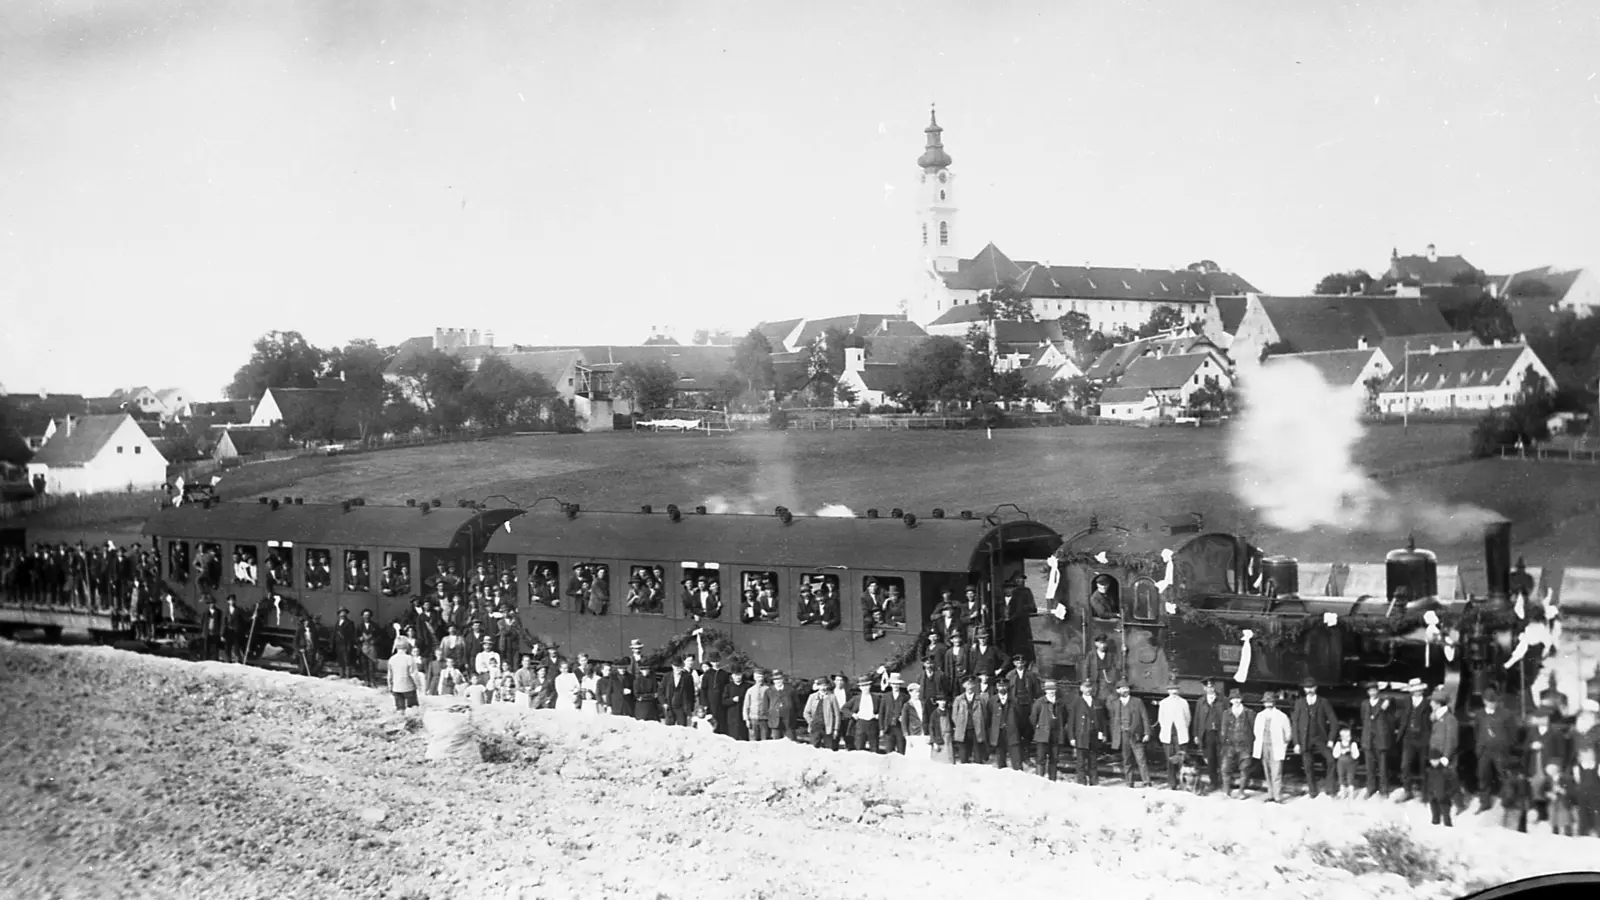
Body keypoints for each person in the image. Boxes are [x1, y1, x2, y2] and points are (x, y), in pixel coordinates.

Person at [1290, 678, 1339, 799]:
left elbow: (1334, 721)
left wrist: (1331, 739)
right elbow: (1295, 724)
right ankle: (1313, 792)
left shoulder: (1323, 702)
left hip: (1320, 738)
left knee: (1331, 760)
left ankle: (1330, 788)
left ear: (1316, 688)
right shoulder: (1300, 703)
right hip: (1305, 739)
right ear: (1304, 689)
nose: (1309, 690)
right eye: (1307, 688)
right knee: (1308, 766)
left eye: (1311, 687)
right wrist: (1296, 743)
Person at [1473, 687, 1519, 811]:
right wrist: (1480, 746)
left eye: (1494, 701)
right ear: (1484, 701)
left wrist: (1505, 745)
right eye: (1490, 701)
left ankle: (1507, 802)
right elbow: (1477, 731)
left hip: (1500, 751)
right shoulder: (1479, 715)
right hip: (1484, 750)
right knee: (1483, 775)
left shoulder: (1506, 714)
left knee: (1504, 775)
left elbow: (1513, 733)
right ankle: (1484, 802)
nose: (1492, 704)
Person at [1108, 681, 1152, 787]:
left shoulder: (1137, 701)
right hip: (1123, 735)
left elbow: (1145, 717)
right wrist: (1115, 736)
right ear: (1118, 690)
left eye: (1127, 688)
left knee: (1141, 759)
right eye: (1122, 688)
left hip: (1136, 734)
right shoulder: (1115, 704)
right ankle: (1129, 782)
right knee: (1126, 760)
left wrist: (1147, 733)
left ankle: (1146, 782)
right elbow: (1113, 721)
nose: (1125, 690)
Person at [1426, 691, 1460, 826]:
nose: (1430, 704)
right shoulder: (1437, 717)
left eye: (1432, 702)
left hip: (1443, 758)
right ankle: (1436, 817)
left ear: (1438, 704)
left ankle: (1454, 810)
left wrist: (1446, 757)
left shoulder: (1450, 719)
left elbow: (1451, 740)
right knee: (1436, 787)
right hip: (1435, 757)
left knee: (1447, 787)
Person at [1252, 691, 1292, 803]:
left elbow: (1288, 733)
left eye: (1270, 701)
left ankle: (1277, 796)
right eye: (1266, 701)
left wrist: (1283, 744)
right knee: (1267, 771)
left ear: (1274, 702)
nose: (1268, 703)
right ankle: (1270, 794)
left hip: (1276, 746)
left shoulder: (1281, 716)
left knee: (1276, 772)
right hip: (1264, 746)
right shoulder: (1260, 716)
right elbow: (1256, 731)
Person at [1358, 682, 1395, 798]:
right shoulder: (1364, 704)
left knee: (1383, 767)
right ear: (1368, 692)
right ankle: (1371, 788)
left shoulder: (1384, 703)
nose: (1372, 692)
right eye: (1370, 690)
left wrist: (1388, 701)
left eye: (1374, 690)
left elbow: (1392, 706)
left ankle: (1384, 790)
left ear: (1378, 691)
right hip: (1368, 739)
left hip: (1380, 739)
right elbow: (1363, 718)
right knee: (1370, 767)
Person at [1192, 678, 1226, 795]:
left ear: (1214, 687)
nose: (1210, 689)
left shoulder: (1223, 700)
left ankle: (1224, 782)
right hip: (1207, 733)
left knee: (1222, 758)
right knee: (1210, 758)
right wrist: (1196, 735)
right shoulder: (1200, 702)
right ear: (1204, 688)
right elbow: (1197, 718)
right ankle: (1213, 782)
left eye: (1211, 687)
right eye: (1207, 687)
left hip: (1220, 733)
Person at [1221, 689, 1256, 799]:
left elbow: (1254, 730)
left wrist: (1251, 744)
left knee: (1244, 769)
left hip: (1244, 746)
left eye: (1237, 698)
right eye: (1233, 699)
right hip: (1229, 746)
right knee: (1225, 769)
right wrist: (1223, 743)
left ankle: (1241, 791)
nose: (1235, 701)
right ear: (1230, 701)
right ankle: (1226, 791)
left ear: (1241, 699)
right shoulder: (1226, 713)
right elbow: (1223, 730)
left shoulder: (1249, 713)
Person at [1031, 680, 1066, 781]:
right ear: (1045, 691)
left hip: (1055, 734)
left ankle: (1052, 781)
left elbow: (1064, 717)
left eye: (1053, 689)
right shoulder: (1039, 702)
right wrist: (1040, 728)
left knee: (1054, 758)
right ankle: (1039, 780)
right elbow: (1033, 718)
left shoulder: (1060, 703)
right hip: (1042, 734)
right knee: (1041, 758)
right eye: (1049, 689)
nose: (1051, 691)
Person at [1331, 725, 1362, 800]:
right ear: (1342, 737)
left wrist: (1352, 753)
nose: (1349, 738)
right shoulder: (1338, 744)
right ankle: (1343, 792)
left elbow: (1356, 755)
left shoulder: (1353, 744)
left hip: (1351, 764)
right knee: (1341, 777)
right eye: (1346, 736)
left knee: (1350, 778)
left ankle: (1351, 794)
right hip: (1341, 764)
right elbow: (1335, 754)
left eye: (1349, 736)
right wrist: (1340, 752)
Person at [387, 643, 420, 712]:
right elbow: (414, 674)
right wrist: (418, 685)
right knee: (413, 709)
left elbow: (389, 676)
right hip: (409, 687)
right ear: (406, 648)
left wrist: (390, 687)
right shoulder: (409, 658)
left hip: (396, 688)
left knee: (400, 710)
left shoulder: (392, 659)